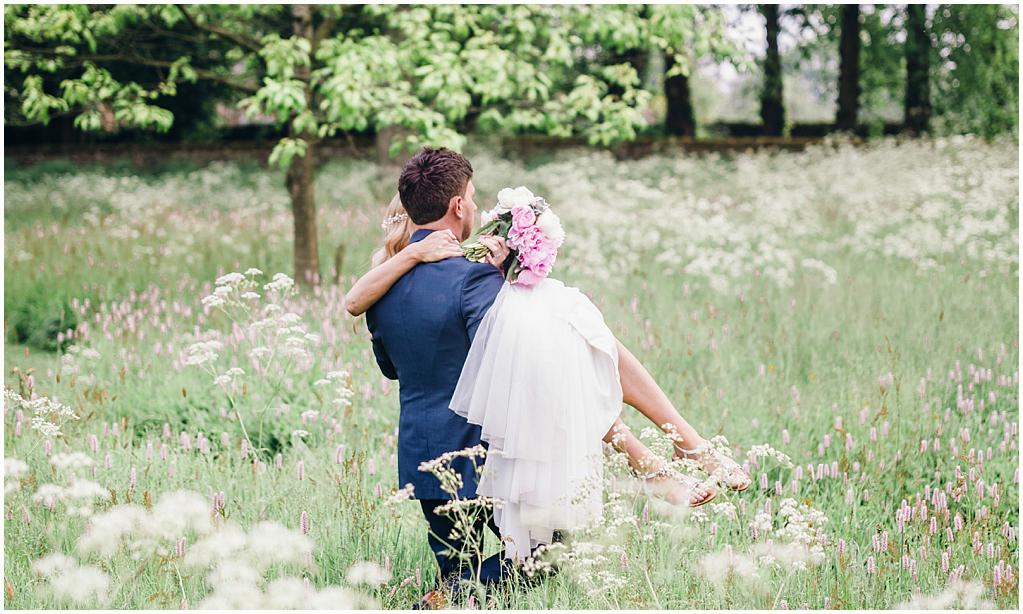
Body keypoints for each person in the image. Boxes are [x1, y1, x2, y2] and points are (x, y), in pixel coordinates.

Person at [353, 148, 750, 598]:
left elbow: (389, 368)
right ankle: (677, 453)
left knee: (462, 577)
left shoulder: (381, 287)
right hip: (491, 458)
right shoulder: (472, 279)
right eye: (474, 198)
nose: (477, 208)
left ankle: (445, 598)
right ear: (458, 206)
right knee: (549, 554)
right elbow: (529, 362)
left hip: (426, 463)